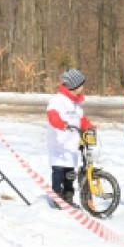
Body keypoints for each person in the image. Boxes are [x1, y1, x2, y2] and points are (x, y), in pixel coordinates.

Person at [46, 68, 95, 206]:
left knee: (70, 173)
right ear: (73, 85)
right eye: (81, 85)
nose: (83, 88)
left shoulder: (76, 102)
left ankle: (68, 196)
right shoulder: (57, 100)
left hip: (71, 144)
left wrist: (89, 125)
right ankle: (57, 196)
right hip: (58, 144)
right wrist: (62, 124)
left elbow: (80, 119)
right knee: (59, 172)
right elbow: (52, 115)